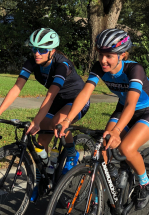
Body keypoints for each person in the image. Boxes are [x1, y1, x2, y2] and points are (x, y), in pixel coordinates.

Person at [0, 28, 90, 202]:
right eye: (34, 49)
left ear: (52, 51)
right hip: (57, 102)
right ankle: (43, 179)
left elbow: (51, 94)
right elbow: (17, 88)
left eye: (42, 50)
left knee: (58, 121)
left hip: (76, 100)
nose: (37, 53)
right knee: (40, 144)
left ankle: (72, 153)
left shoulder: (61, 65)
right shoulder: (32, 62)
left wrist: (37, 121)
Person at [56, 28, 149, 211]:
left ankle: (144, 183)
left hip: (145, 110)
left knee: (127, 147)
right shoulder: (99, 67)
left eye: (109, 56)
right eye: (100, 55)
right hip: (123, 109)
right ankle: (107, 180)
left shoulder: (134, 69)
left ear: (122, 55)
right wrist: (67, 120)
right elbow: (85, 93)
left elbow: (132, 104)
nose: (103, 60)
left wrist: (117, 131)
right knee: (103, 146)